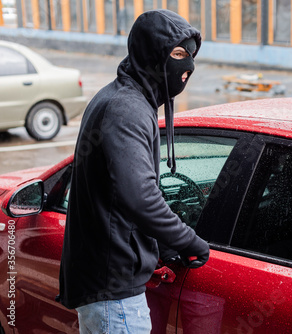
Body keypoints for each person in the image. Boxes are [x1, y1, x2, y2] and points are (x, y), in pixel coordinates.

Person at [58, 9, 210, 333]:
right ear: (152, 53)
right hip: (114, 293)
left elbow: (119, 192)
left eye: (191, 56)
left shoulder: (123, 98)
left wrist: (164, 246)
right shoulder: (126, 110)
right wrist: (189, 242)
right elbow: (139, 196)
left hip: (108, 285)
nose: (187, 67)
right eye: (178, 54)